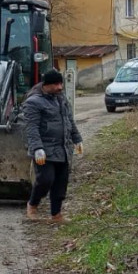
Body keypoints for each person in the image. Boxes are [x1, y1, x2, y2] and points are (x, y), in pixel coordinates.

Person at [23, 69, 83, 222]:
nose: (60, 87)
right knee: (46, 180)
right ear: (46, 85)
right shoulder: (33, 102)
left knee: (61, 183)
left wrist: (77, 139)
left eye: (60, 83)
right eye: (56, 84)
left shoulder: (61, 99)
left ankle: (56, 214)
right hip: (44, 150)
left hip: (63, 148)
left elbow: (69, 120)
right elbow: (32, 127)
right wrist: (37, 148)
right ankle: (32, 204)